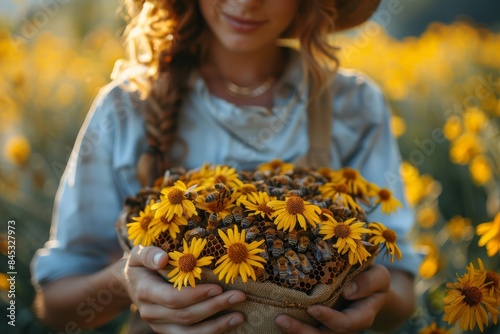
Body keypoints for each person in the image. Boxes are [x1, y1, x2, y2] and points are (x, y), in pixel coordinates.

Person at [31, 0, 421, 333]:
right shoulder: (125, 107)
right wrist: (122, 281)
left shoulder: (354, 106)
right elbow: (53, 304)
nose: (248, 1)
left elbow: (401, 290)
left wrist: (367, 303)